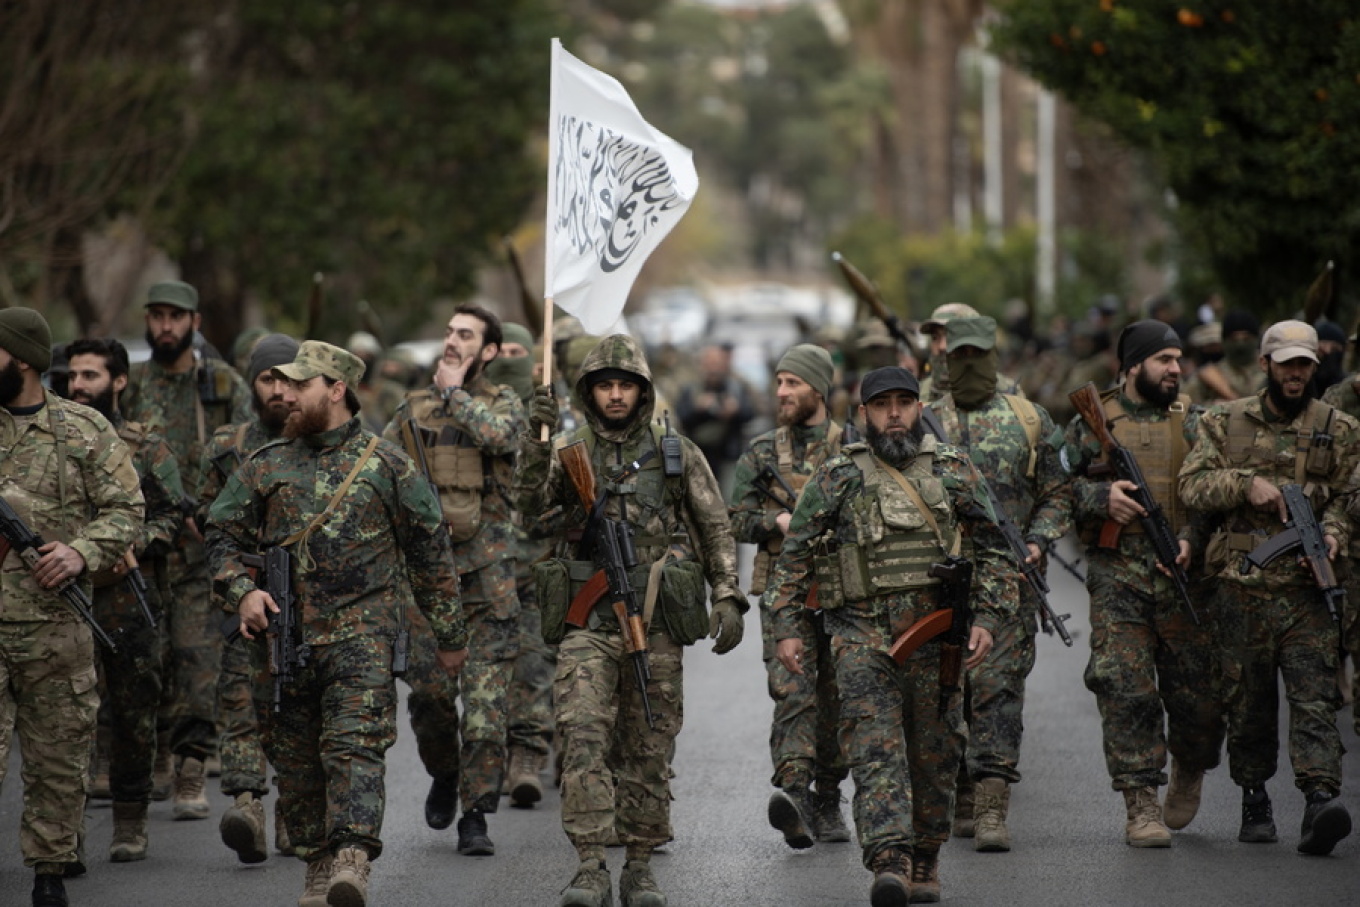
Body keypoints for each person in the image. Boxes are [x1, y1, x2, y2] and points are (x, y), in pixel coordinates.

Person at [207, 340, 469, 907]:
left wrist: (450, 638)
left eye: (301, 385)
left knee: (355, 747)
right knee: (296, 761)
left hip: (362, 640)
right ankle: (317, 864)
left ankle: (352, 857)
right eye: (284, 384)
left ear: (336, 390)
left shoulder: (389, 466)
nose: (286, 394)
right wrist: (242, 592)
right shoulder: (265, 464)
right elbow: (220, 537)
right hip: (285, 640)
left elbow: (430, 558)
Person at [766, 366, 1017, 905]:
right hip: (862, 637)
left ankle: (925, 854)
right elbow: (795, 556)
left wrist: (988, 619)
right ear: (865, 414)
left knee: (936, 751)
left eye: (905, 402)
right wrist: (786, 628)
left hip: (937, 638)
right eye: (883, 405)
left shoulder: (953, 469)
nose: (895, 413)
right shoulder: (839, 475)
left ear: (920, 408)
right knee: (875, 750)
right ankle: (890, 860)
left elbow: (997, 550)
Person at [514, 334, 745, 907]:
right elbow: (531, 515)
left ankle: (639, 867)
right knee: (582, 735)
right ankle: (591, 865)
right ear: (588, 392)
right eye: (605, 386)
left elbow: (714, 526)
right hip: (588, 620)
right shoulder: (568, 449)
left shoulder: (676, 452)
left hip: (655, 620)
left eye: (625, 385)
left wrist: (727, 593)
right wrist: (534, 442)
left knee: (648, 745)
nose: (615, 395)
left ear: (642, 392)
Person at [1179, 320, 1357, 855]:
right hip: (1242, 590)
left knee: (1315, 700)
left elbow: (1349, 497)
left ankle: (1319, 800)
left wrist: (1333, 533)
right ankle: (1254, 799)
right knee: (1249, 705)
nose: (1297, 373)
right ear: (1265, 365)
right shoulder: (1223, 421)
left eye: (1305, 364)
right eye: (1287, 364)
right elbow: (1191, 485)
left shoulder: (1340, 428)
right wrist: (1244, 484)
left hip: (1308, 592)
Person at [0, 309, 144, 907]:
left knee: (58, 760)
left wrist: (80, 552)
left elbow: (126, 510)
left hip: (54, 625)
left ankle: (50, 872)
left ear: (22, 359)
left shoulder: (84, 429)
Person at [1061, 320, 1224, 848]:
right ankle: (1141, 803)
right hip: (1118, 578)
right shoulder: (1091, 423)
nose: (1176, 368)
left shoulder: (1196, 422)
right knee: (1124, 688)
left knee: (1199, 701)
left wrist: (1191, 537)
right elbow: (1053, 489)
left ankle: (1190, 765)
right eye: (1163, 360)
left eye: (1178, 359)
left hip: (1185, 578)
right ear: (1133, 366)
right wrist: (1099, 499)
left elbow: (1214, 492)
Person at [383, 304, 525, 855]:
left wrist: (456, 394)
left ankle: (476, 815)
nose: (451, 341)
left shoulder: (504, 404)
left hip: (489, 584)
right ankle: (445, 773)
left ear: (488, 351)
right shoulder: (412, 408)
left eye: (465, 335)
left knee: (487, 715)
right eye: (448, 332)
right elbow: (381, 470)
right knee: (430, 703)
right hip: (428, 586)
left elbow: (501, 439)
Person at [927, 317, 1071, 852]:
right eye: (958, 355)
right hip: (938, 583)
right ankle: (961, 793)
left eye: (977, 354)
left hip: (1008, 580)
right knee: (947, 692)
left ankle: (991, 805)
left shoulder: (1027, 419)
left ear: (993, 356)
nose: (967, 364)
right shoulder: (922, 421)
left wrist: (1038, 538)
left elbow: (1059, 491)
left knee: (1000, 692)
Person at [120, 279, 252, 815]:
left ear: (195, 323)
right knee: (146, 664)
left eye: (175, 317)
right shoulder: (131, 384)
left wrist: (221, 515)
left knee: (199, 663)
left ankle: (191, 767)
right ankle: (150, 758)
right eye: (157, 315)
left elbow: (248, 455)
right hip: (141, 551)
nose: (165, 326)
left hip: (199, 552)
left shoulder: (219, 384)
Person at [63, 338, 185, 865]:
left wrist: (137, 542)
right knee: (65, 714)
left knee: (135, 710)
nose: (77, 386)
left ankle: (130, 819)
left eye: (90, 375)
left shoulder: (146, 446)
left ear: (118, 382)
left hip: (126, 599)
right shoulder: (53, 439)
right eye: (73, 376)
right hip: (65, 594)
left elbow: (174, 514)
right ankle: (62, 832)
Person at [728, 343, 851, 849]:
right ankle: (796, 795)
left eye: (793, 383)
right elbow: (734, 518)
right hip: (785, 594)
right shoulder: (761, 452)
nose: (782, 391)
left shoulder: (852, 447)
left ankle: (829, 797)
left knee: (838, 698)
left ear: (819, 389)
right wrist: (775, 520)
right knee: (793, 693)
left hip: (844, 591)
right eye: (779, 381)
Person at [196, 333, 300, 864]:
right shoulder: (227, 446)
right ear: (252, 385)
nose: (277, 390)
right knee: (240, 701)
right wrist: (239, 577)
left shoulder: (318, 442)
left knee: (295, 706)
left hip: (303, 600)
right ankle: (247, 805)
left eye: (287, 378)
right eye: (266, 379)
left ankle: (293, 811)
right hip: (242, 594)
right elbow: (206, 518)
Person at [485, 321, 556, 806]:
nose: (509, 361)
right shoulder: (474, 413)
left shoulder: (554, 417)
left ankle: (527, 755)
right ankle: (485, 757)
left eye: (518, 352)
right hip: (481, 567)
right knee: (487, 672)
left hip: (536, 564)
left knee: (533, 662)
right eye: (502, 351)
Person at [675, 343, 758, 491]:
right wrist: (698, 409)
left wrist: (735, 410)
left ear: (724, 365)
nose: (713, 369)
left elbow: (751, 413)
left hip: (728, 456)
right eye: (709, 364)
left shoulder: (736, 388)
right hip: (698, 457)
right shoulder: (691, 390)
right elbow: (680, 417)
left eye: (717, 364)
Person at [1183, 310, 1265, 405]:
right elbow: (1186, 405)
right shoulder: (1208, 377)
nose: (1240, 344)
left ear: (1256, 339)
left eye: (1246, 339)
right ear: (1224, 341)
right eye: (1233, 339)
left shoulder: (1269, 371)